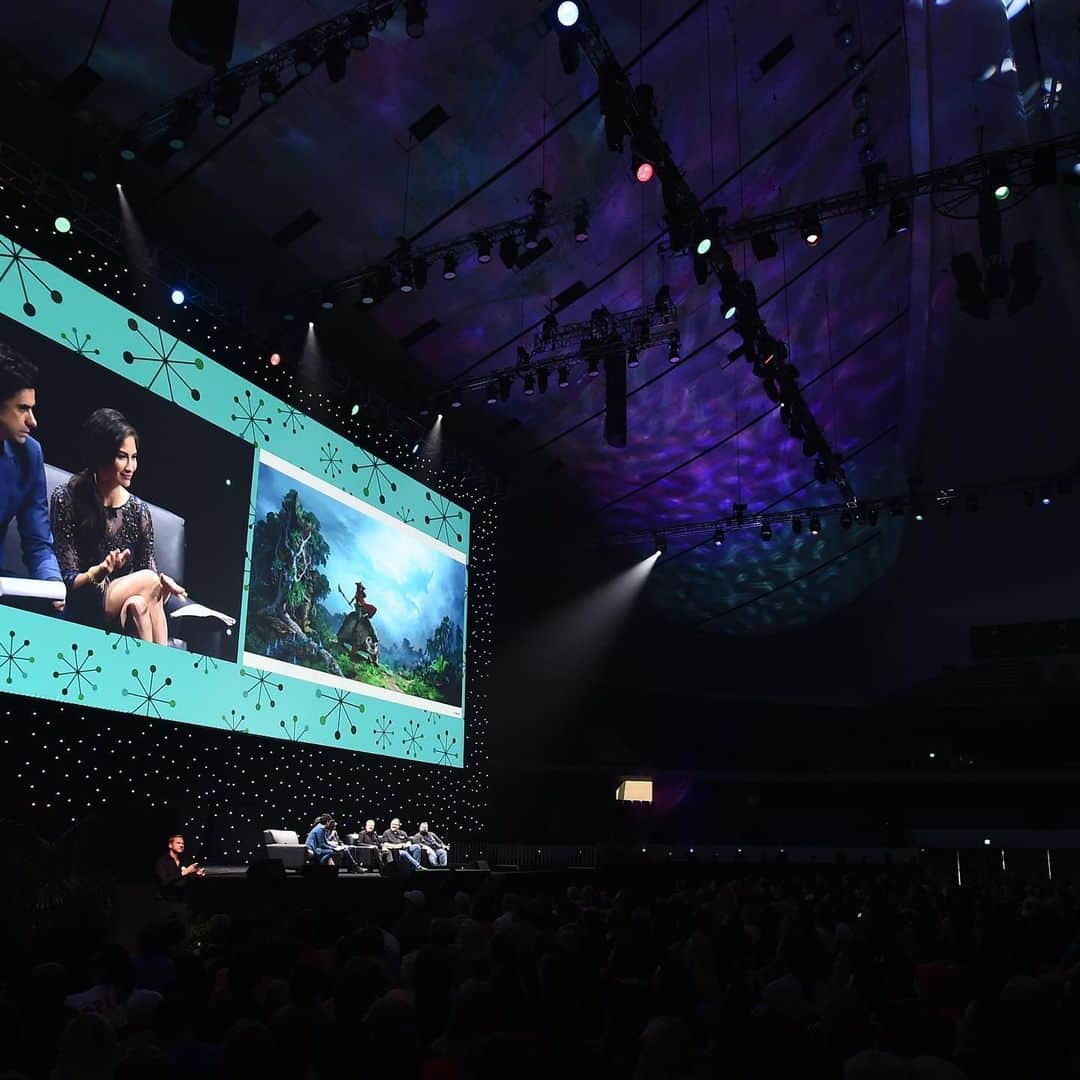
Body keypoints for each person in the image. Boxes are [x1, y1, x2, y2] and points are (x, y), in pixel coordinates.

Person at [49, 408, 186, 641]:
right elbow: (69, 578)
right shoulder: (67, 498)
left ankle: (155, 670)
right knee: (147, 584)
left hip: (122, 604)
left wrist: (162, 583)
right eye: (122, 456)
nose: (130, 466)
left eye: (134, 457)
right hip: (83, 598)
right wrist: (102, 570)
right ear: (100, 456)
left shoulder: (138, 511)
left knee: (138, 604)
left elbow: (147, 572)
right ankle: (167, 672)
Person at [0, 344, 64, 600]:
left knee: (56, 607)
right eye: (22, 408)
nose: (32, 421)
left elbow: (38, 541)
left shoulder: (30, 454)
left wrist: (52, 583)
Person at [154, 833, 204, 902]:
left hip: (183, 900)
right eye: (178, 843)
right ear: (170, 845)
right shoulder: (162, 861)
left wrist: (197, 874)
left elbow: (189, 879)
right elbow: (164, 881)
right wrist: (184, 872)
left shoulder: (185, 860)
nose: (181, 845)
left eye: (183, 843)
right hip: (166, 900)